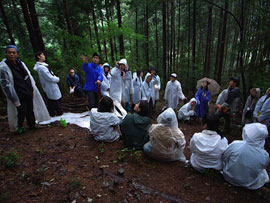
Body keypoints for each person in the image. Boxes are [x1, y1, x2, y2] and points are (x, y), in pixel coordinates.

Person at [0, 45, 50, 133]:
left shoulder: (21, 64)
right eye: (9, 52)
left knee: (30, 108)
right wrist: (12, 97)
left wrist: (32, 89)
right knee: (21, 110)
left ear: (17, 54)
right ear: (6, 54)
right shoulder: (3, 67)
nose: (12, 55)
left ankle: (32, 124)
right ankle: (18, 127)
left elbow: (28, 76)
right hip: (17, 92)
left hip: (27, 89)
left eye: (14, 53)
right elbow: (5, 84)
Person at [222, 123, 269, 190]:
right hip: (248, 183)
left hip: (228, 176)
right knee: (264, 174)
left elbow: (225, 157)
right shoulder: (265, 156)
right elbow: (260, 169)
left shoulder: (236, 144)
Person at [34, 52, 63, 117]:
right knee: (53, 100)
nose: (44, 56)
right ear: (38, 56)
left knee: (54, 99)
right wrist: (57, 79)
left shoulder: (44, 66)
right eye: (42, 55)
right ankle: (55, 113)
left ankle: (54, 112)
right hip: (50, 86)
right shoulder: (41, 68)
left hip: (52, 86)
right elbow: (49, 77)